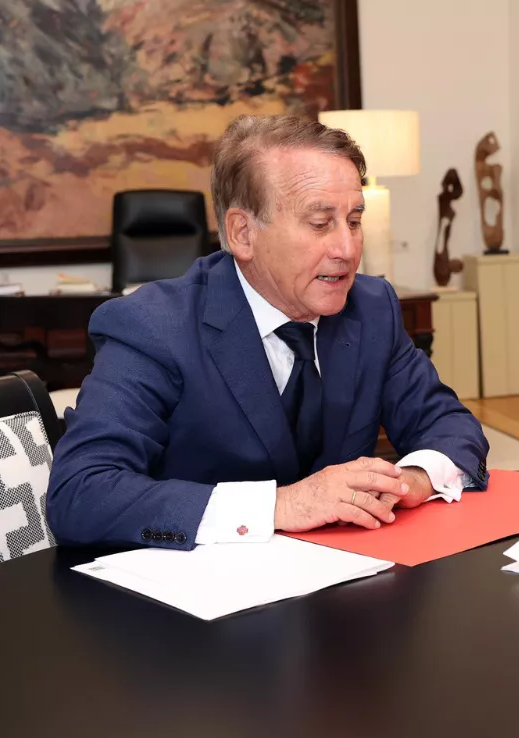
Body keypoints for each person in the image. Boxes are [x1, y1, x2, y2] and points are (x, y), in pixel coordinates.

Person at [47, 114, 489, 550]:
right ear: (243, 233)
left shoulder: (372, 308)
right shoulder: (153, 326)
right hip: (203, 586)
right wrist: (282, 505)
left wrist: (412, 479)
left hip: (348, 580)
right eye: (320, 224)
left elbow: (449, 425)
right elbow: (81, 493)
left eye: (354, 221)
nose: (348, 248)